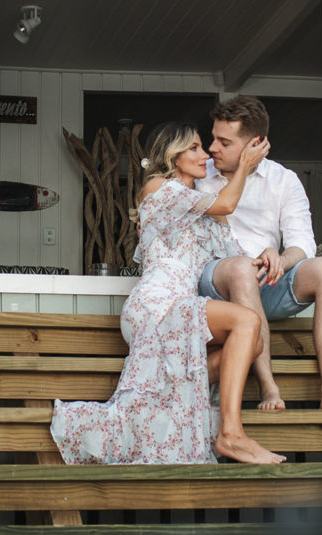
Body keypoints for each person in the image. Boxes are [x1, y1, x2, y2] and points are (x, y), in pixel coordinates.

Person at [51, 122, 286, 466]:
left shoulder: (204, 212)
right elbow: (225, 204)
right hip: (157, 303)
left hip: (180, 303)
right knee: (247, 322)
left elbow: (234, 256)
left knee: (254, 342)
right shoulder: (158, 187)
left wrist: (266, 254)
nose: (204, 154)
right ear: (172, 155)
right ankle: (231, 434)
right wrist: (245, 168)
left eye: (203, 148)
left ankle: (175, 395)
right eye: (194, 148)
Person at [198, 95, 322, 411]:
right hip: (216, 284)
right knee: (242, 268)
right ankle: (270, 390)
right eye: (212, 137)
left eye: (223, 142)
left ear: (254, 143)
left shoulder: (283, 180)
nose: (212, 147)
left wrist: (279, 259)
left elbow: (303, 244)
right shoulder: (200, 176)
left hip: (266, 283)